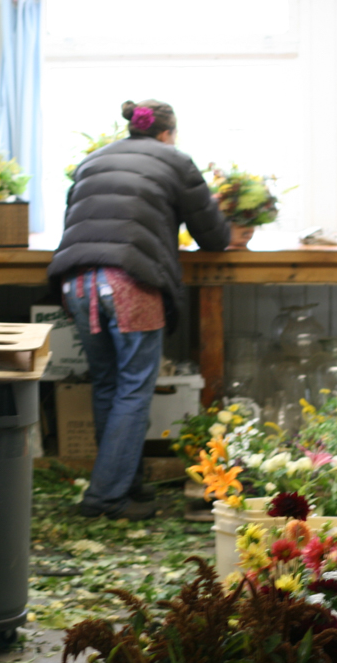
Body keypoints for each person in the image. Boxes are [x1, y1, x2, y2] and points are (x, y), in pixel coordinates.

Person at [48, 99, 239, 520]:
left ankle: (125, 485)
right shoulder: (174, 159)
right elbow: (212, 235)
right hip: (128, 282)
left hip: (76, 282)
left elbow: (77, 222)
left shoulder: (92, 161)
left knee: (107, 384)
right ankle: (105, 498)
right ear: (168, 133)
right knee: (134, 388)